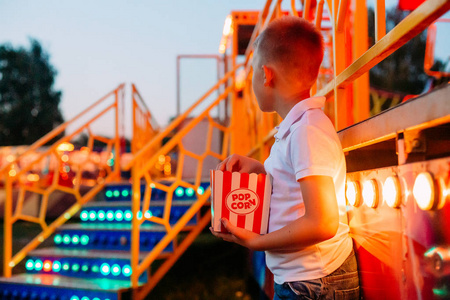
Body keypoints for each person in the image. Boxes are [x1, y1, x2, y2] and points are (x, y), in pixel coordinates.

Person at [210, 16, 360, 300]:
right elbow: (295, 188)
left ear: (267, 75)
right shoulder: (296, 128)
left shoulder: (306, 131)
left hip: (314, 282)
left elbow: (323, 222)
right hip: (306, 279)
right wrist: (259, 169)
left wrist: (258, 242)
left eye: (253, 71)